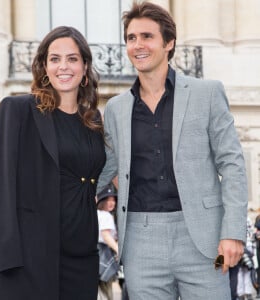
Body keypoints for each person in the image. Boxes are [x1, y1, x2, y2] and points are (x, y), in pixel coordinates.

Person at [97, 1, 248, 299]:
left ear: (169, 43)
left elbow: (232, 164)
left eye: (147, 36)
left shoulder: (207, 93)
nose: (137, 45)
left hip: (203, 238)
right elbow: (105, 169)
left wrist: (232, 232)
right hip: (141, 239)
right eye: (131, 38)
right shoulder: (115, 109)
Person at [0, 26, 105, 300]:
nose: (64, 66)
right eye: (55, 59)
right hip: (30, 258)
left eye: (72, 59)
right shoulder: (18, 110)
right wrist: (10, 259)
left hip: (82, 258)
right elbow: (0, 187)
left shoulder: (93, 122)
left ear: (85, 67)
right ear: (44, 66)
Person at [97, 184, 118, 300]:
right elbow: (106, 236)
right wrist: (118, 249)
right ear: (101, 201)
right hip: (103, 252)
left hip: (95, 253)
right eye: (108, 200)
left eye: (113, 200)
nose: (112, 203)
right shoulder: (106, 215)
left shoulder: (96, 214)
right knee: (106, 294)